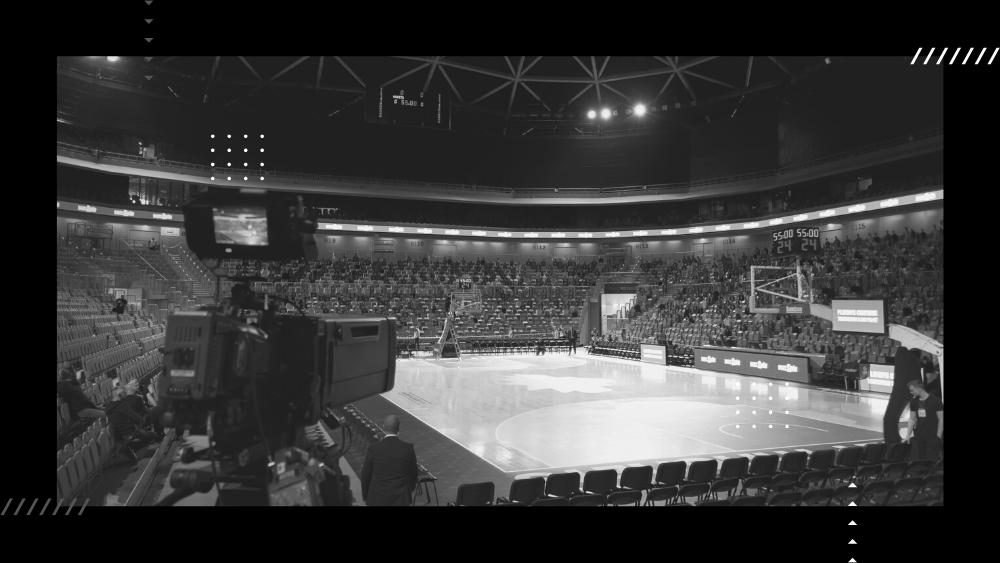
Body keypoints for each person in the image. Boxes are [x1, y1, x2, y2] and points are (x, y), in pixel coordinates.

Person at [360, 415, 418, 506]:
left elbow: (366, 473)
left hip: (377, 497)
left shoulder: (374, 448)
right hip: (401, 498)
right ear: (399, 428)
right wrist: (409, 490)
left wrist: (365, 494)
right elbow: (414, 473)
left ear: (383, 427)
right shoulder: (408, 448)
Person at [105, 387, 158, 460]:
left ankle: (130, 448)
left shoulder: (108, 407)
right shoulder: (123, 404)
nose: (126, 395)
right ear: (120, 395)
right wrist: (142, 421)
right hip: (130, 432)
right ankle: (131, 448)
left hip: (119, 435)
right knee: (154, 435)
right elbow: (136, 417)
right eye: (124, 393)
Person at [903, 380, 943, 462]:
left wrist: (938, 436)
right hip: (920, 436)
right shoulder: (914, 402)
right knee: (922, 460)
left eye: (912, 390)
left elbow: (941, 419)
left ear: (919, 389)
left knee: (932, 460)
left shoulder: (936, 401)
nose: (911, 392)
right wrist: (907, 435)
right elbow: (912, 418)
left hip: (933, 436)